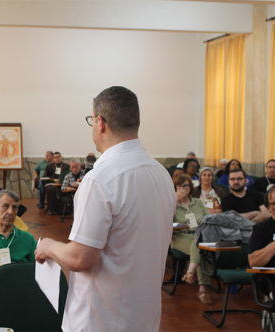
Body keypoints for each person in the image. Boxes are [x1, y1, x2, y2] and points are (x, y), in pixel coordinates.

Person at [35, 86, 176, 331]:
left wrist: (48, 246)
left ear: (100, 122)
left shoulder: (99, 179)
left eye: (91, 120)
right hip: (144, 318)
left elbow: (82, 258)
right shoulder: (161, 174)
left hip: (100, 320)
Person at [172, 174, 212, 304]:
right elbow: (165, 222)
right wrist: (174, 201)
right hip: (180, 236)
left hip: (198, 234)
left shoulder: (198, 202)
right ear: (175, 188)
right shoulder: (171, 203)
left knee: (200, 245)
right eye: (180, 186)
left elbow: (208, 219)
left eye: (186, 185)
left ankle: (191, 272)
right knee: (201, 247)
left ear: (190, 187)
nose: (183, 188)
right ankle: (203, 289)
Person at [248, 186, 275, 267]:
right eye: (274, 203)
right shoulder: (261, 228)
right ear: (268, 207)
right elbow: (253, 262)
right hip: (270, 277)